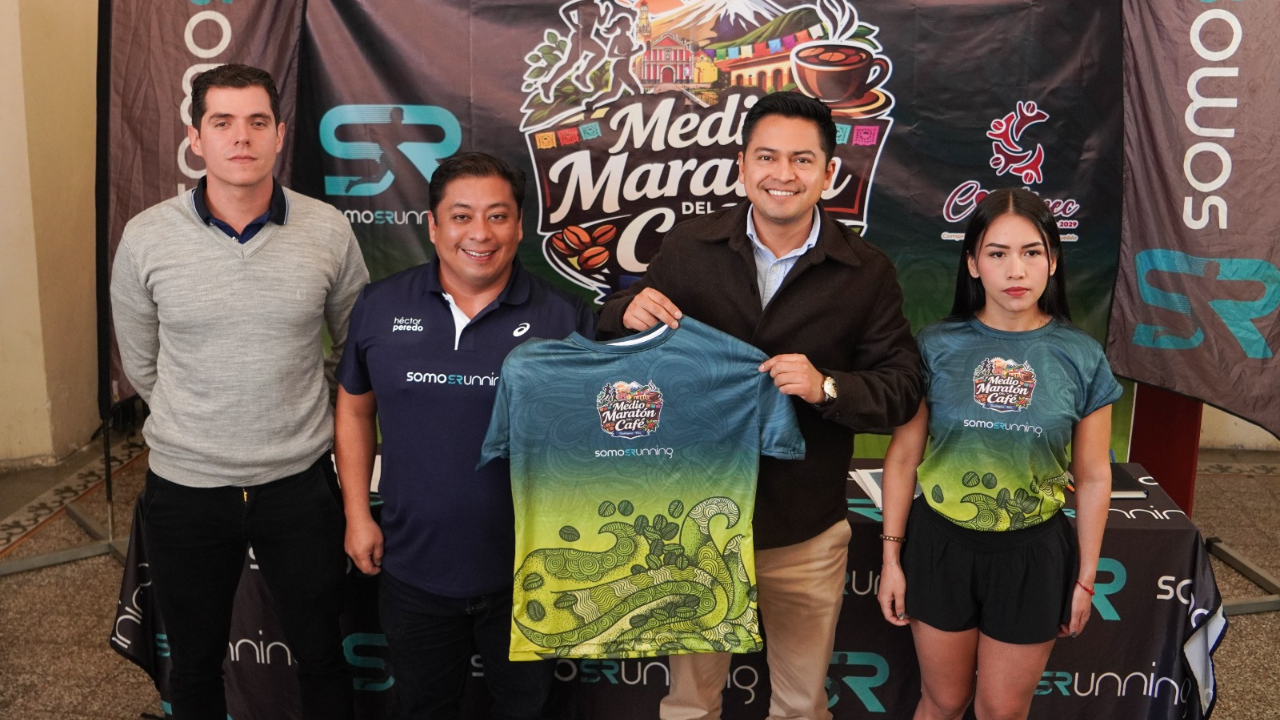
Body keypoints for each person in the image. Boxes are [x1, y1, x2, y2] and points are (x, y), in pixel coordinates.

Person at [598, 91, 923, 720]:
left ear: (829, 173)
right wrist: (622, 312)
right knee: (690, 704)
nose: (783, 174)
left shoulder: (866, 271)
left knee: (801, 705)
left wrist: (828, 387)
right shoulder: (689, 247)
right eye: (767, 157)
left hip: (804, 527)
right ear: (742, 167)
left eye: (802, 160)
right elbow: (622, 335)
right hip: (696, 520)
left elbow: (902, 386)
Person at [110, 64, 369, 720]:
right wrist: (202, 415)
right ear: (195, 138)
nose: (241, 137)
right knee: (193, 662)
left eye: (257, 121)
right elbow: (142, 364)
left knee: (322, 654)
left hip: (299, 484)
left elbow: (353, 350)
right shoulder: (146, 237)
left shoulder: (327, 231)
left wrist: (295, 404)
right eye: (222, 122)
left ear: (280, 134)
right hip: (186, 488)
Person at [334, 152, 596, 720]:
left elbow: (594, 442)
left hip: (532, 574)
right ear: (433, 226)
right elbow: (353, 411)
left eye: (498, 216)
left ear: (519, 226)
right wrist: (357, 514)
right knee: (422, 708)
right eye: (461, 216)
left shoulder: (566, 319)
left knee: (526, 710)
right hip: (412, 565)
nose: (480, 233)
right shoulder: (379, 305)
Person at [876, 188, 1121, 720]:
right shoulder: (934, 347)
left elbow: (1093, 477)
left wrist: (1086, 577)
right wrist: (891, 559)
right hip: (940, 546)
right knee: (943, 701)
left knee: (1002, 711)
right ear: (972, 263)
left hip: (1033, 555)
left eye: (1032, 252)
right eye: (997, 253)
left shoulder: (1082, 356)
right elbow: (903, 458)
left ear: (1053, 261)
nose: (1016, 269)